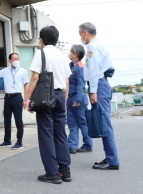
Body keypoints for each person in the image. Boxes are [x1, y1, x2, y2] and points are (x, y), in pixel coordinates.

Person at [24, 26, 72, 184]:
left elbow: (35, 77)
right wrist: (64, 102)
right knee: (60, 135)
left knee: (46, 135)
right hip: (59, 96)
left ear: (42, 40)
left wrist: (27, 98)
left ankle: (52, 173)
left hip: (46, 96)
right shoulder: (63, 56)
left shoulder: (41, 53)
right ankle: (65, 171)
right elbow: (66, 81)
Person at [79, 22, 120, 170]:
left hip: (99, 86)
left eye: (80, 34)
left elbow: (95, 70)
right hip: (102, 85)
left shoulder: (92, 47)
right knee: (104, 124)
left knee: (104, 125)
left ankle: (112, 161)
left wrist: (93, 91)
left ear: (85, 33)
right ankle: (110, 158)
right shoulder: (99, 45)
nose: (80, 37)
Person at [0, 53, 28, 149]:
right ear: (10, 61)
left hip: (17, 98)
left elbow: (26, 85)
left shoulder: (23, 71)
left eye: (17, 59)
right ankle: (7, 141)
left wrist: (25, 99)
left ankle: (19, 142)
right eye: (14, 59)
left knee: (18, 121)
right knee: (7, 120)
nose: (16, 60)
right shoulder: (5, 71)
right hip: (7, 98)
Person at [67, 45, 93, 154]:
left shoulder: (80, 67)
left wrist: (77, 100)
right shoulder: (71, 66)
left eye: (71, 51)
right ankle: (71, 146)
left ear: (75, 54)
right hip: (70, 98)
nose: (69, 53)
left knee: (82, 123)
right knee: (72, 124)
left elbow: (81, 85)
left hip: (78, 98)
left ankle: (88, 145)